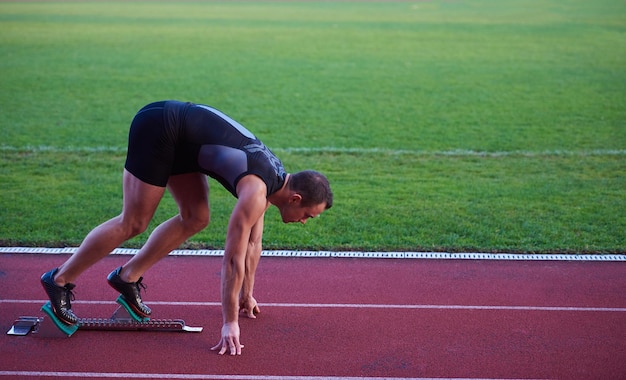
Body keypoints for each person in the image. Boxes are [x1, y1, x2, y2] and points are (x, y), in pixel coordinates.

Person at [40, 100, 333, 355]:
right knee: (134, 221)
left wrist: (246, 295)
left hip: (183, 140)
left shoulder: (275, 180)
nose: (305, 221)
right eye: (308, 214)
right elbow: (233, 259)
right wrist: (229, 322)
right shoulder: (257, 191)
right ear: (295, 199)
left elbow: (254, 244)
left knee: (196, 217)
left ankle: (127, 277)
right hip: (160, 127)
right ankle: (60, 280)